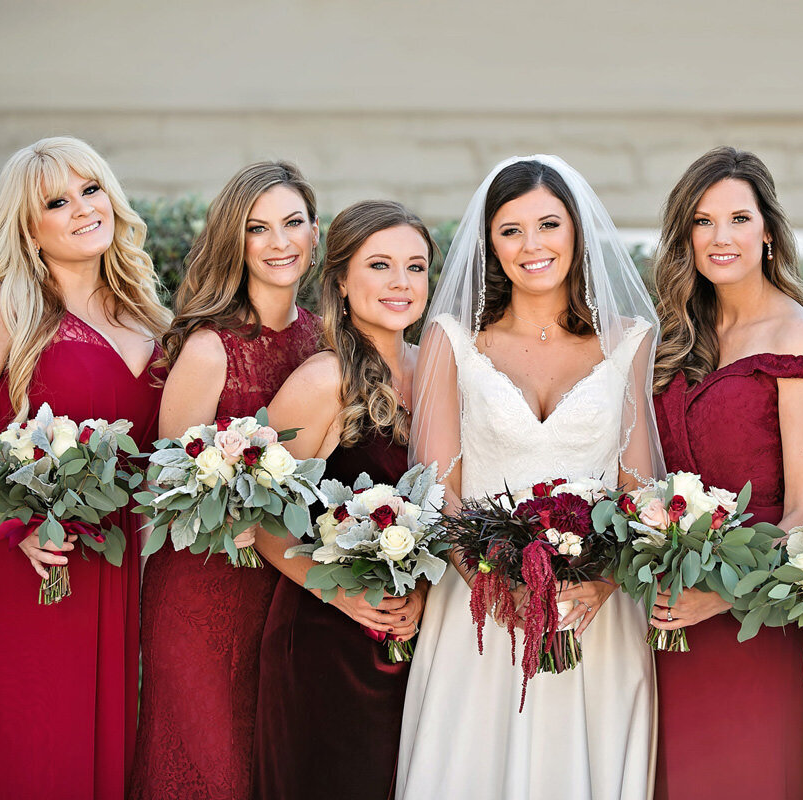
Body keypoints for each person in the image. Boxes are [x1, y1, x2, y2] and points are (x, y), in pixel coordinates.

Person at [397, 156, 665, 799]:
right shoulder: (452, 338)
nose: (532, 245)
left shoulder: (629, 340)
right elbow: (437, 488)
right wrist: (496, 586)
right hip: (480, 608)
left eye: (549, 224)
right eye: (511, 230)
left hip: (593, 613)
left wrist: (601, 581)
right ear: (489, 244)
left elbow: (639, 489)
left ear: (576, 230)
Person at [0, 136, 169, 799]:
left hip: (110, 566)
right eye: (57, 201)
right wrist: (12, 521)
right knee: (25, 749)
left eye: (91, 190)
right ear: (27, 225)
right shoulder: (2, 311)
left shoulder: (154, 320)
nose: (82, 209)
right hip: (15, 565)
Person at [649, 147, 803, 800]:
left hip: (753, 618)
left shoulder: (796, 338)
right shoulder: (674, 335)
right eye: (703, 222)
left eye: (739, 218)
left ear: (768, 232)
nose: (721, 237)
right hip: (664, 614)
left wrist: (722, 595)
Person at [130, 161, 321, 800]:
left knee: (269, 764)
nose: (280, 242)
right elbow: (165, 489)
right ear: (234, 243)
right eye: (258, 229)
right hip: (203, 591)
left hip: (289, 589)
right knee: (206, 759)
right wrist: (234, 496)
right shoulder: (210, 348)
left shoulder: (325, 342)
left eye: (293, 223)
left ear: (315, 234)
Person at [251, 200, 434, 800]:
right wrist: (347, 594)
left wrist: (426, 593)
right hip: (328, 640)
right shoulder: (323, 379)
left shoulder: (437, 377)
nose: (401, 283)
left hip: (417, 638)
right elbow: (259, 517)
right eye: (380, 265)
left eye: (416, 266)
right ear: (340, 281)